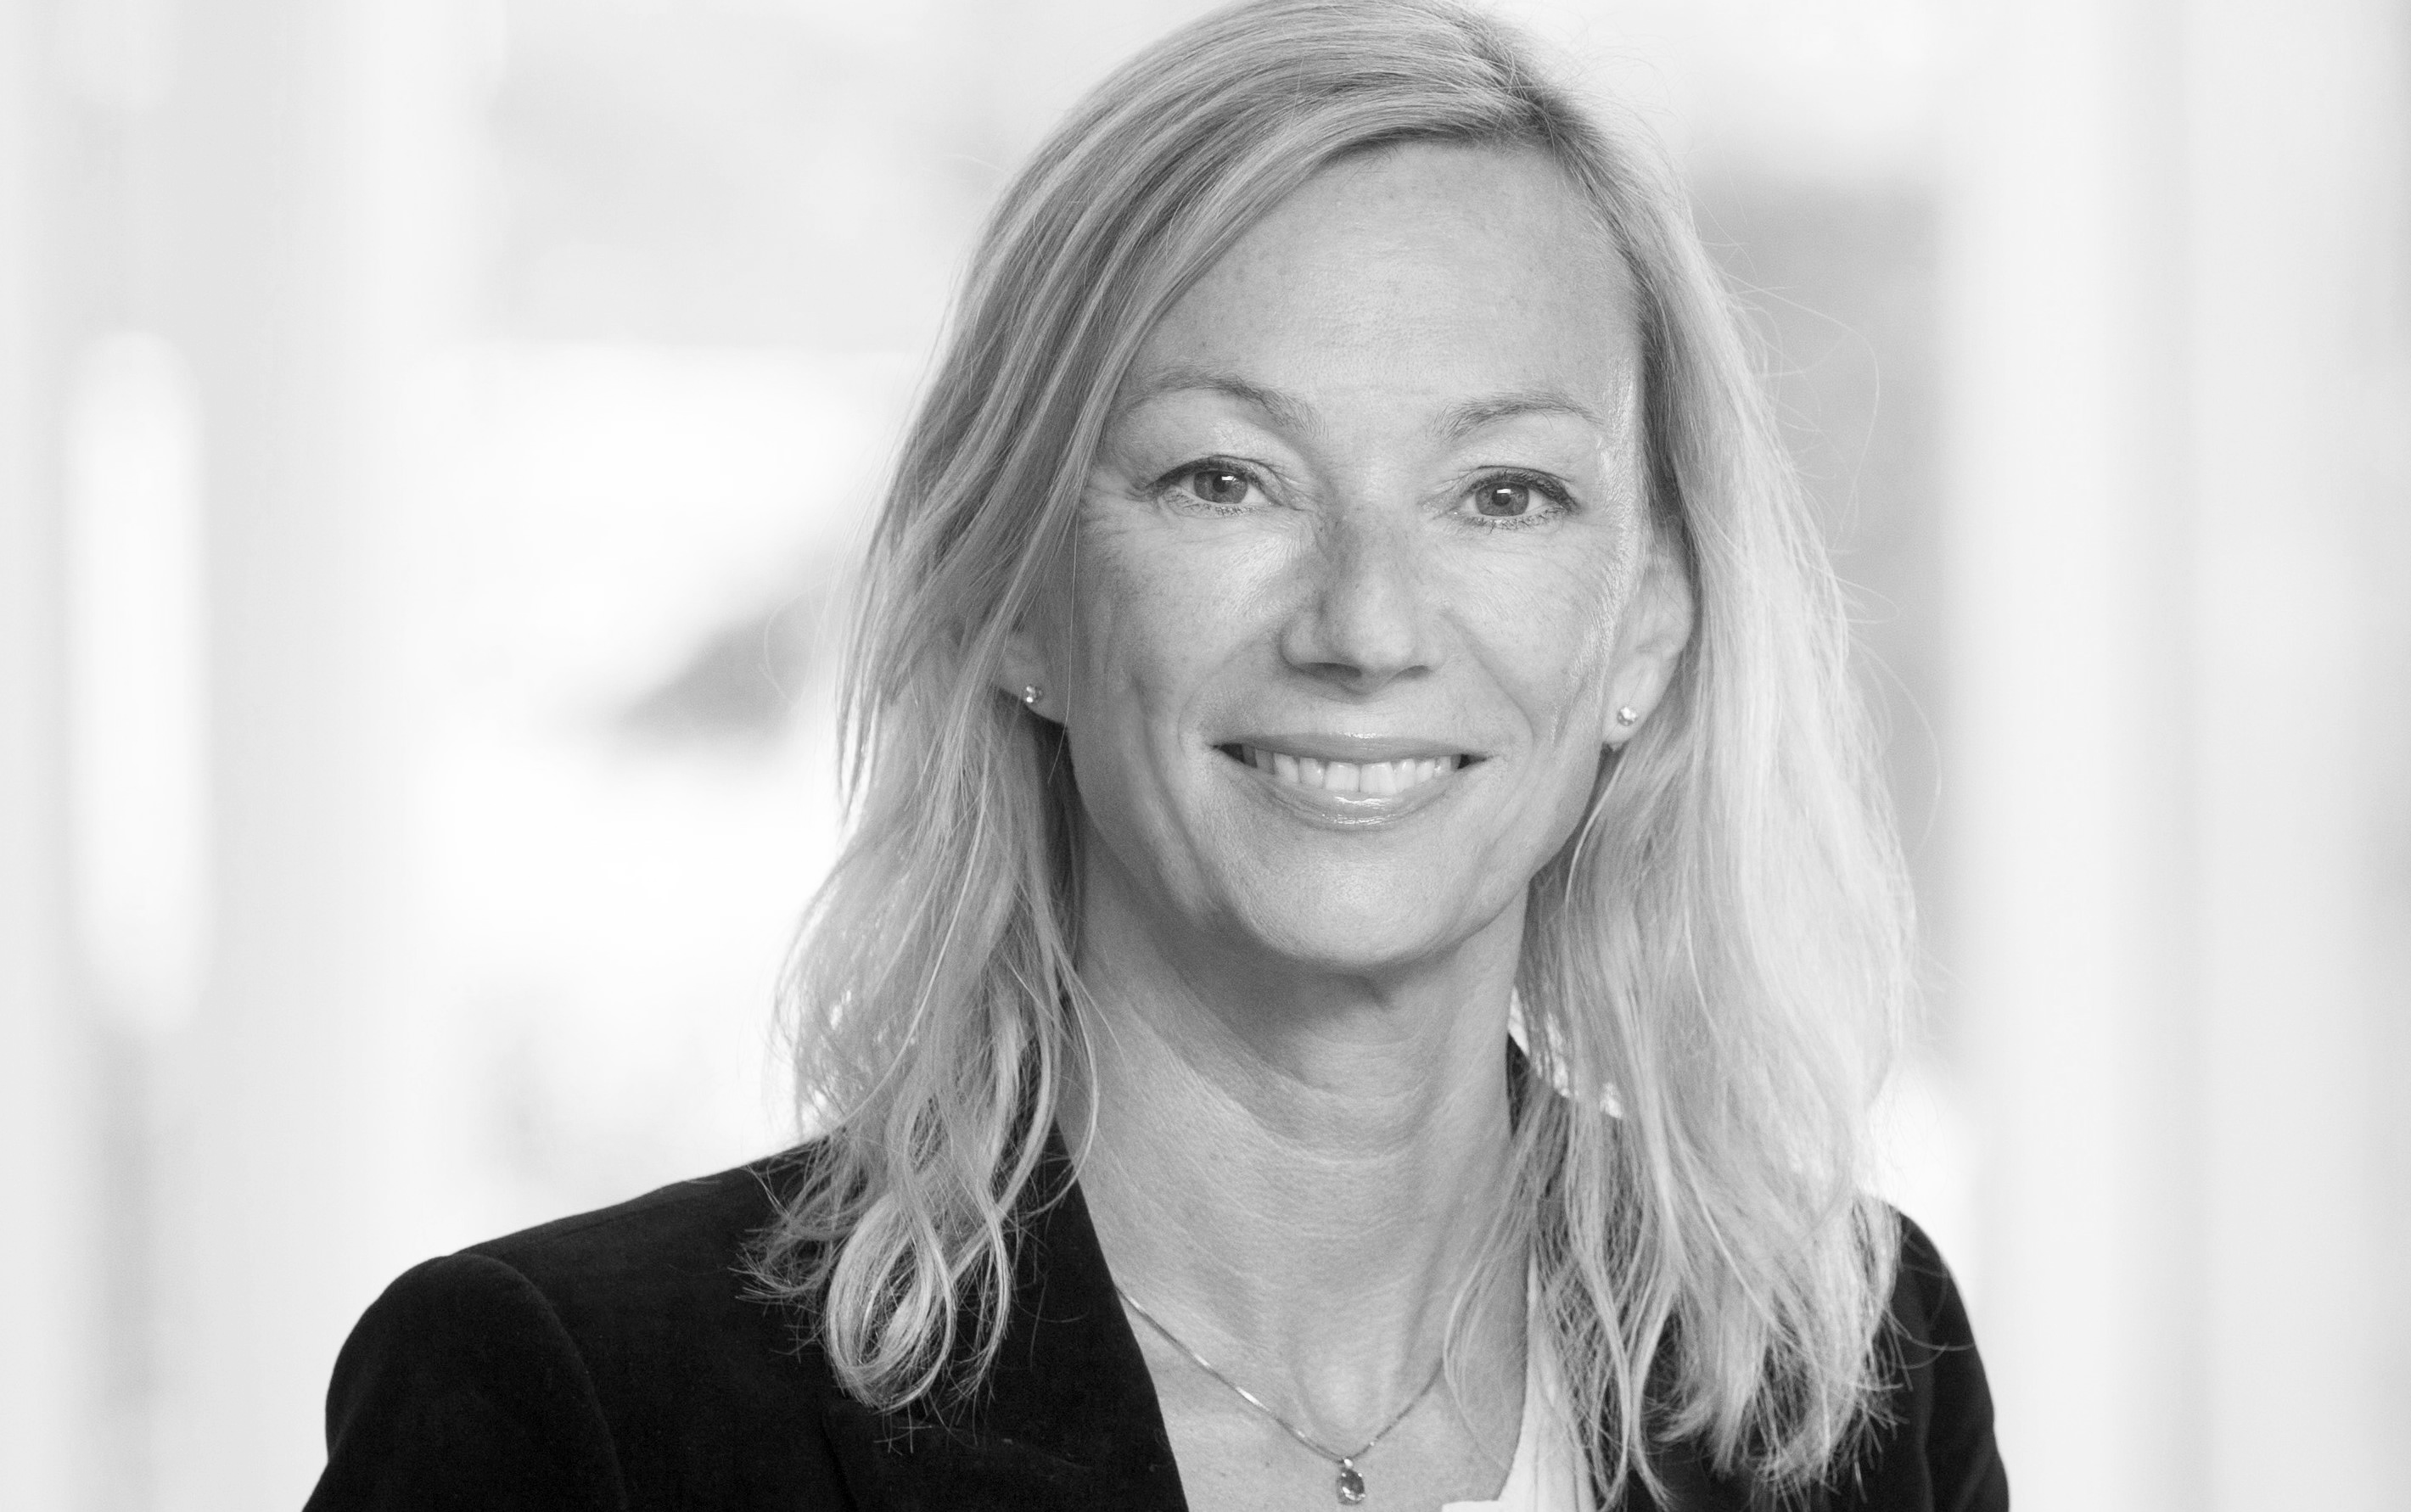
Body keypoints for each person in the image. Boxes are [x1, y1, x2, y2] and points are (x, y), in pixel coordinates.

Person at [303, 1, 2006, 1508]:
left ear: (1646, 623)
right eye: (1225, 479)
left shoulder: (1847, 1375)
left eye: (1503, 493)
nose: (1366, 625)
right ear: (1019, 596)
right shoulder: (580, 1415)